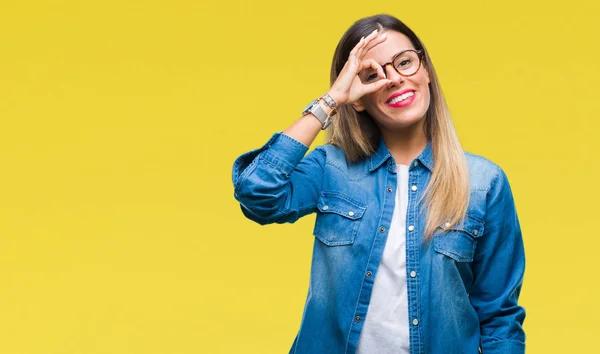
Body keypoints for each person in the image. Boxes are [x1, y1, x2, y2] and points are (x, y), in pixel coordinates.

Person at [231, 13, 526, 354]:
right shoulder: (332, 168)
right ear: (357, 96)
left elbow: (500, 319)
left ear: (426, 70)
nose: (395, 79)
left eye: (405, 62)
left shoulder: (483, 184)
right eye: (372, 75)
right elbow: (257, 191)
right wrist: (331, 100)